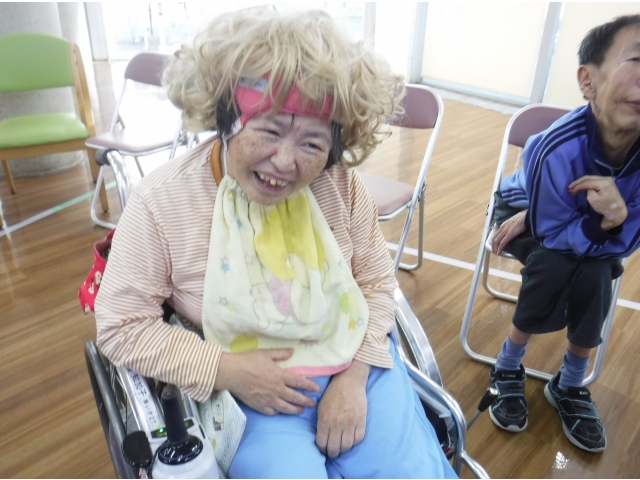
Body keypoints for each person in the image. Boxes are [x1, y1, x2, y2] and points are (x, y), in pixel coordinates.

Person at [95, 7, 456, 478]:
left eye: (312, 144)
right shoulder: (163, 202)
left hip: (357, 364)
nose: (285, 162)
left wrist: (354, 377)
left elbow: (374, 281)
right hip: (247, 392)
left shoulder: (339, 186)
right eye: (268, 130)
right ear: (227, 118)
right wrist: (226, 370)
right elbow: (121, 325)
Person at [487, 14, 640, 453]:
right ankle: (508, 362)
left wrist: (613, 218)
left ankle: (569, 383)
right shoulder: (554, 145)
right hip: (523, 207)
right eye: (637, 60)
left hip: (582, 227)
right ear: (588, 81)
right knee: (556, 261)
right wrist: (534, 215)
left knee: (596, 270)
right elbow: (553, 234)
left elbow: (627, 241)